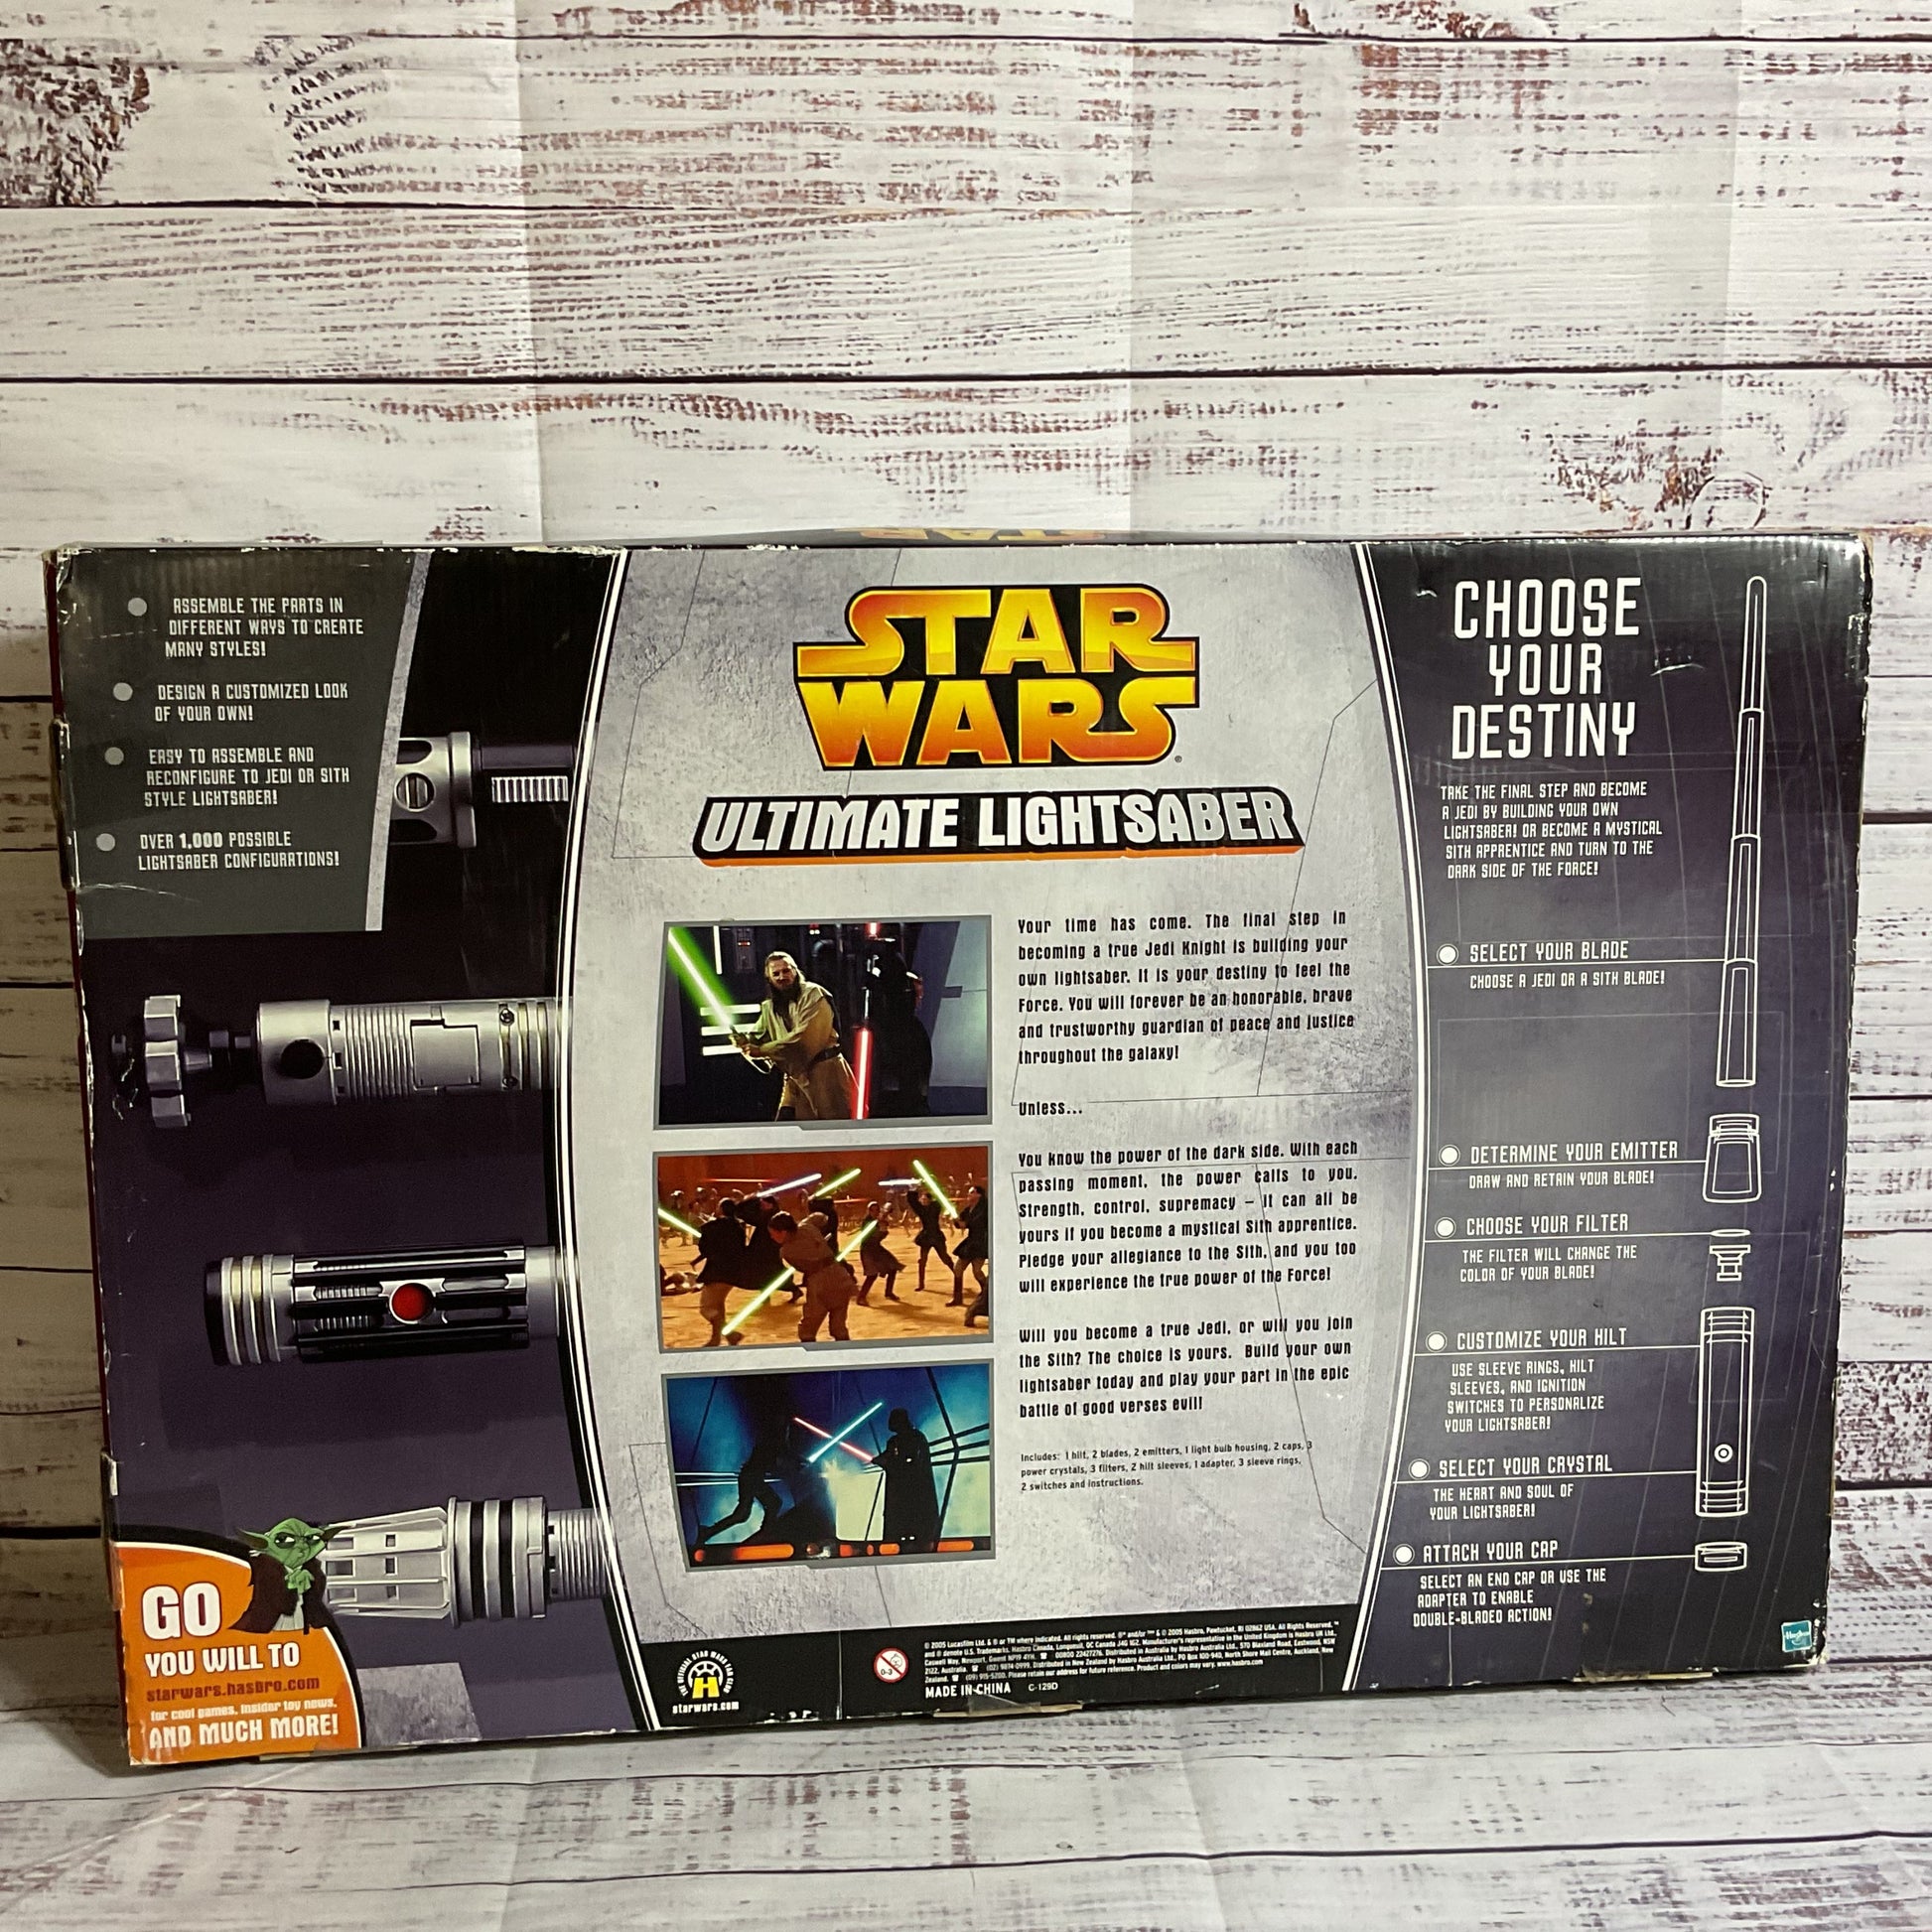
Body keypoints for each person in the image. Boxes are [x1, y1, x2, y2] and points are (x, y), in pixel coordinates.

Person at [731, 951, 856, 1120]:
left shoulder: (814, 994)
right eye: (776, 973)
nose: (782, 977)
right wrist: (744, 1042)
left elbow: (805, 1039)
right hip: (796, 1079)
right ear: (769, 978)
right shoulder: (770, 1006)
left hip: (826, 1075)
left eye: (786, 971)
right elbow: (757, 1037)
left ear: (795, 971)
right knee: (787, 1128)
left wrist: (761, 1050)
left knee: (834, 1128)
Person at [696, 1420, 787, 1548]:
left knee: (742, 1515)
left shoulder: (770, 1441)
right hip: (752, 1477)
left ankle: (708, 1532)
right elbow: (770, 1461)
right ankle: (766, 1531)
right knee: (772, 1503)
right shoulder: (771, 1441)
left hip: (751, 1477)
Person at [771, 1209, 857, 1343]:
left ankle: (810, 1352)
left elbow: (802, 1267)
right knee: (838, 1326)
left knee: (808, 1328)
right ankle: (845, 1351)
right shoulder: (807, 1226)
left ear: (783, 1232)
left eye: (773, 1234)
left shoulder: (786, 1251)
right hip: (840, 1275)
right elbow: (821, 1217)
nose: (772, 1237)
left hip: (820, 1284)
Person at [875, 1408, 939, 1550]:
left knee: (908, 1529)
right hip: (908, 1496)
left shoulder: (913, 1439)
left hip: (910, 1495)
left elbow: (909, 1464)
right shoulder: (909, 1439)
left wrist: (887, 1463)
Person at [694, 1196, 749, 1347]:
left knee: (706, 1308)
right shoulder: (739, 1226)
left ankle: (730, 1334)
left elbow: (704, 1248)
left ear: (721, 1209)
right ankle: (717, 1338)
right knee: (718, 1307)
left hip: (716, 1272)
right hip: (733, 1273)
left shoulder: (712, 1227)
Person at [736, 1195, 795, 1303]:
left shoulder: (769, 1217)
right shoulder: (770, 1215)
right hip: (764, 1248)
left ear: (771, 1205)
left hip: (768, 1249)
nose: (761, 1207)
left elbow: (744, 1215)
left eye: (764, 1204)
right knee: (764, 1272)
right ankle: (766, 1294)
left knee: (771, 1272)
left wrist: (750, 1199)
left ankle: (792, 1289)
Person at [856, 1201, 902, 1305]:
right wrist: (880, 1225)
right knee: (872, 1275)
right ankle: (861, 1297)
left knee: (892, 1268)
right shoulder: (867, 1222)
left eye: (877, 1210)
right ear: (869, 1211)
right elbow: (872, 1236)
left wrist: (883, 1226)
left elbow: (880, 1236)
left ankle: (888, 1292)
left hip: (876, 1248)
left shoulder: (879, 1221)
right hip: (867, 1250)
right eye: (873, 1210)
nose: (875, 1212)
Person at [950, 1182, 989, 1310]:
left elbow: (976, 1223)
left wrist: (964, 1223)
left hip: (981, 1242)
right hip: (971, 1241)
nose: (969, 1194)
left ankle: (988, 1295)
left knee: (977, 1271)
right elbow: (961, 1224)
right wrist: (956, 1220)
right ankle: (957, 1298)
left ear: (979, 1195)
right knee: (958, 1268)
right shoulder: (968, 1209)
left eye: (972, 1192)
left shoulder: (985, 1208)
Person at [909, 1186, 950, 1295]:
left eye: (925, 1199)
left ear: (930, 1200)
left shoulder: (934, 1207)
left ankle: (957, 1275)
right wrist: (913, 1191)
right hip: (927, 1237)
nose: (923, 1201)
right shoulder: (923, 1209)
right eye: (922, 1199)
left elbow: (939, 1199)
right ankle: (921, 1284)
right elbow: (913, 1202)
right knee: (922, 1261)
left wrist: (934, 1191)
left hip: (935, 1236)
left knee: (945, 1258)